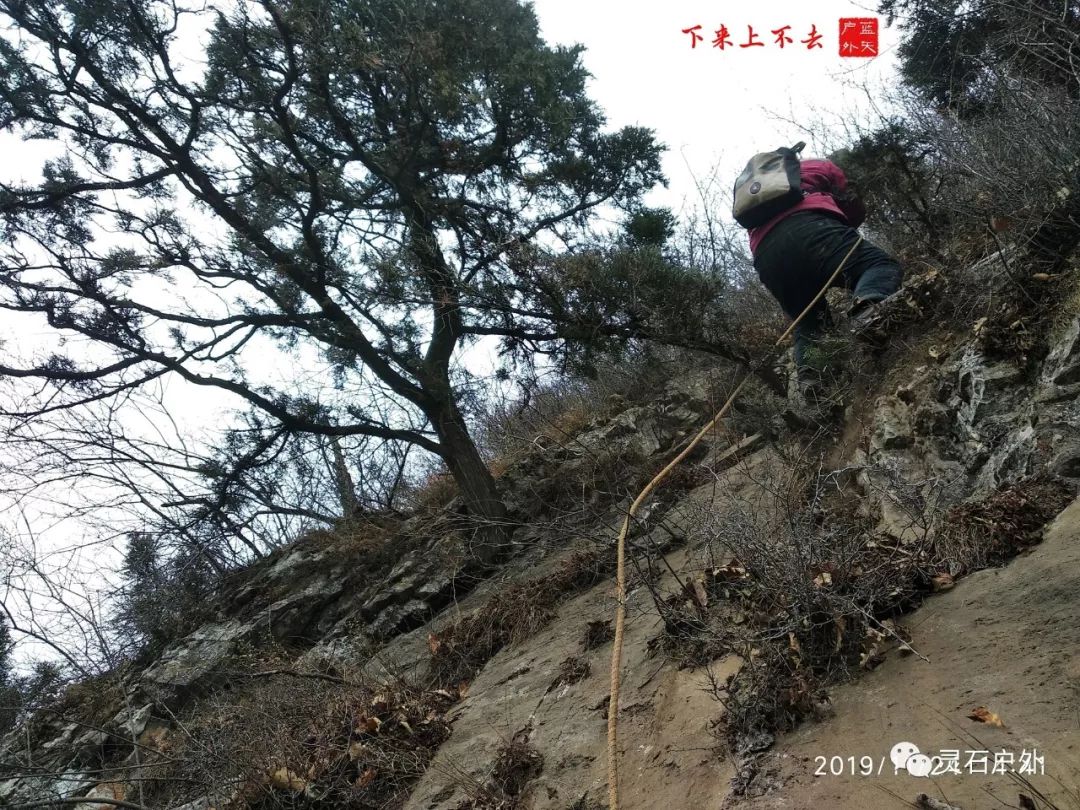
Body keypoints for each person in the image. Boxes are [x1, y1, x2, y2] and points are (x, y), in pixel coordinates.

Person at [747, 156, 903, 396]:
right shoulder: (814, 166)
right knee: (879, 266)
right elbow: (850, 200)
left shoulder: (756, 194)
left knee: (808, 320)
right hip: (811, 228)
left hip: (766, 257)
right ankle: (869, 311)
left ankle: (813, 378)